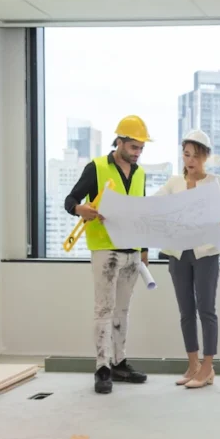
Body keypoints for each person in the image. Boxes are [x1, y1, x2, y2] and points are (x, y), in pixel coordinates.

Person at [65, 115, 153, 395]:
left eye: (141, 148)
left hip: (132, 252)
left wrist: (144, 250)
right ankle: (102, 368)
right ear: (120, 141)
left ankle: (119, 363)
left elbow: (141, 214)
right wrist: (82, 210)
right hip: (105, 249)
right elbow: (70, 200)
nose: (137, 152)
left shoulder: (140, 174)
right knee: (103, 309)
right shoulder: (97, 168)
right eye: (133, 146)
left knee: (122, 311)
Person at [155, 129, 220, 389]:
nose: (190, 160)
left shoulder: (214, 182)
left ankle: (208, 368)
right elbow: (152, 207)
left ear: (205, 158)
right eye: (186, 154)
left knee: (206, 310)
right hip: (179, 253)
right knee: (186, 311)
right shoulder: (173, 183)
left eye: (196, 156)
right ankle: (192, 365)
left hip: (206, 253)